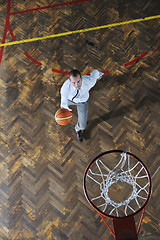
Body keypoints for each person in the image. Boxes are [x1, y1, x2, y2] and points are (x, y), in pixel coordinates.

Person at [60, 69, 104, 142]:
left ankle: (77, 129)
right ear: (70, 81)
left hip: (82, 102)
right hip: (69, 100)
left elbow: (95, 72)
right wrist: (64, 108)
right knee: (62, 108)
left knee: (83, 126)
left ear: (81, 78)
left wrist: (99, 74)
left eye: (78, 81)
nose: (77, 85)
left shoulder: (89, 81)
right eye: (73, 82)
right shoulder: (65, 87)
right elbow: (64, 100)